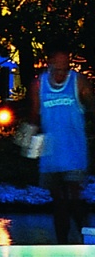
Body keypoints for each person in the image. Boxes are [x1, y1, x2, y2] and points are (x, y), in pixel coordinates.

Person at [28, 42, 94, 243]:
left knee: (74, 200)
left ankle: (85, 241)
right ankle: (62, 245)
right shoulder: (39, 85)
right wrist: (29, 145)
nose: (60, 71)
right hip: (50, 153)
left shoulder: (79, 82)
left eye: (64, 66)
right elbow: (34, 116)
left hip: (74, 151)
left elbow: (92, 107)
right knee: (58, 202)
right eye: (57, 66)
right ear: (49, 63)